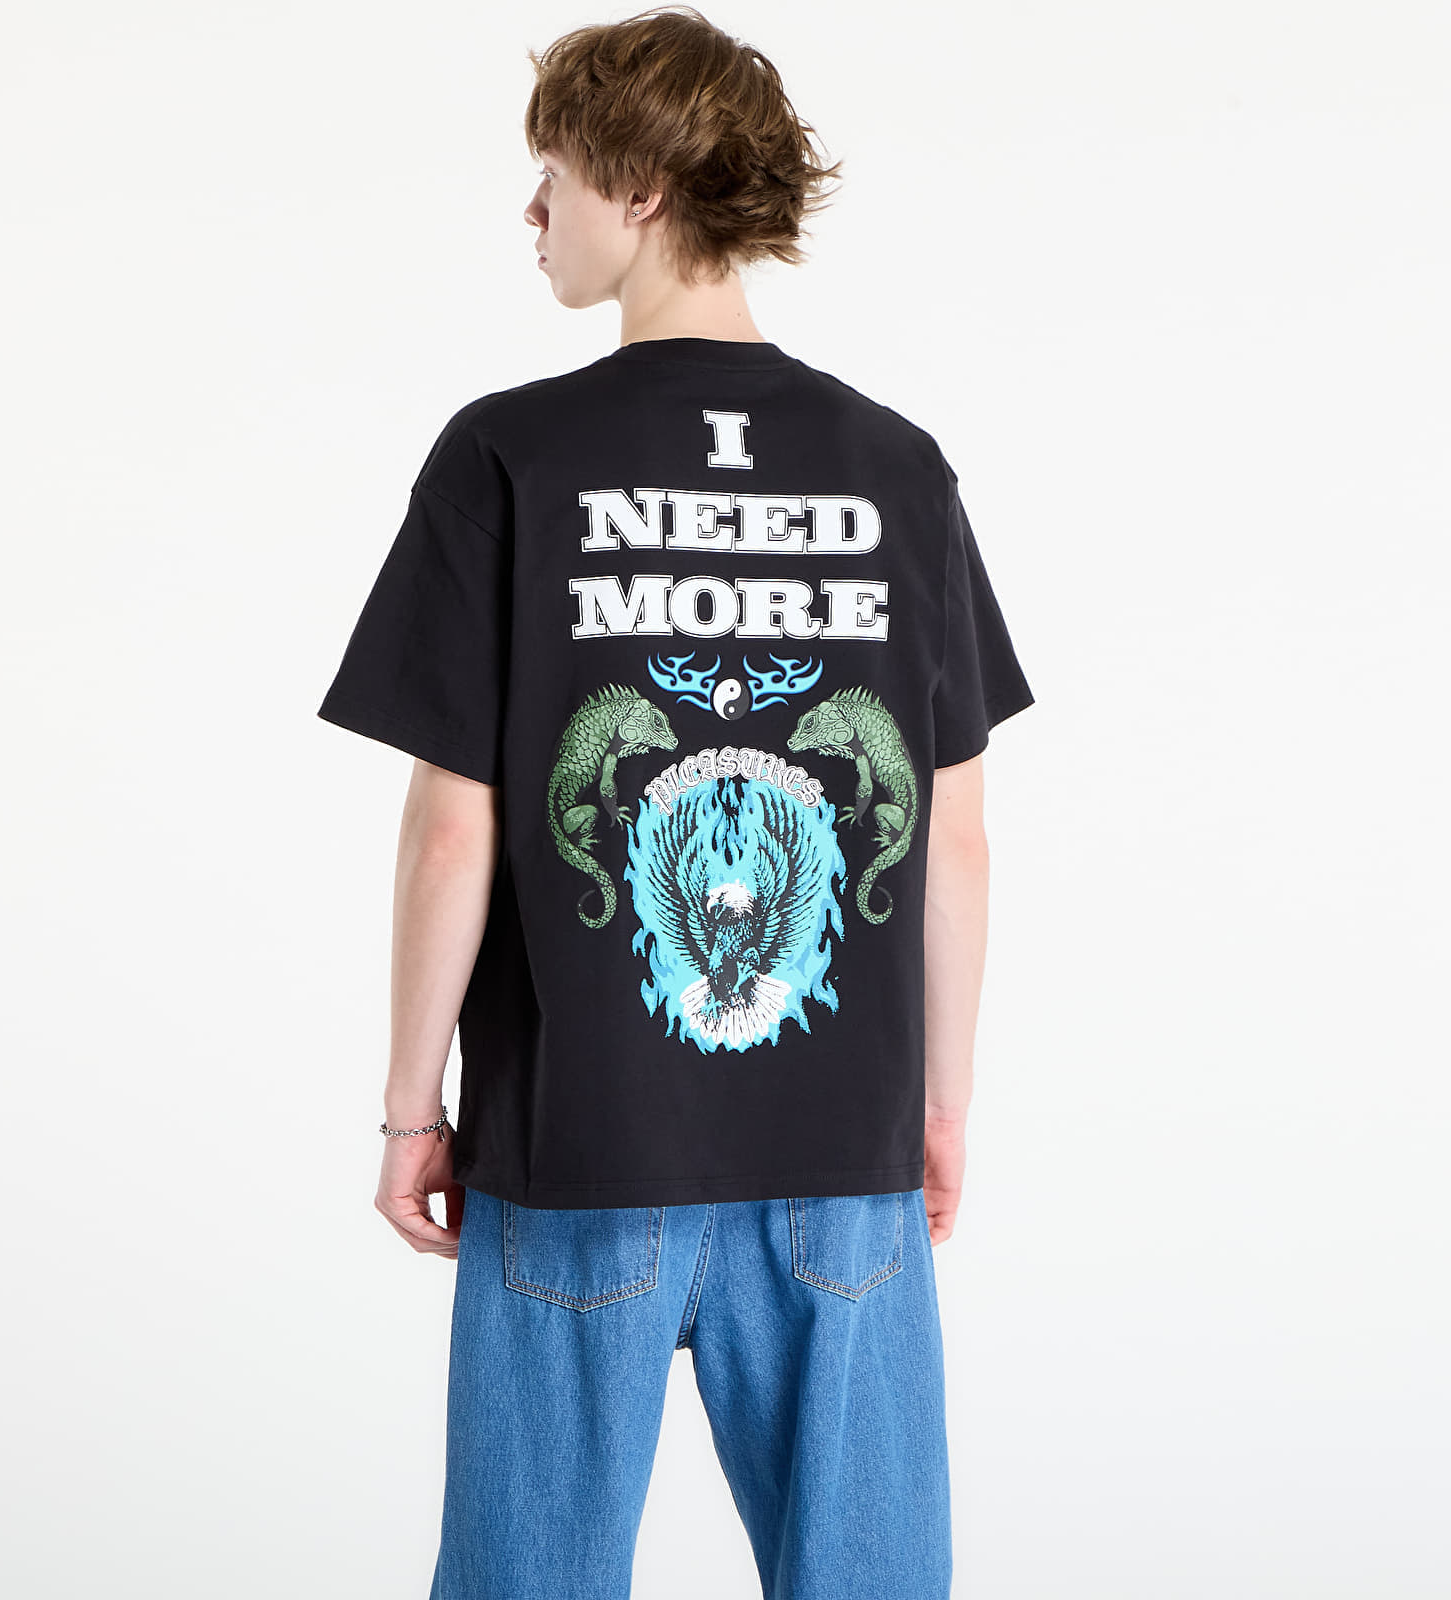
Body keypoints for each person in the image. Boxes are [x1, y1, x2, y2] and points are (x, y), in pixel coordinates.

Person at [316, 7, 1032, 1596]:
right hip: (840, 1157)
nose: (533, 210)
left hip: (578, 1149)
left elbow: (454, 826)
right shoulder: (898, 466)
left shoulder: (510, 455)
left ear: (638, 186)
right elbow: (956, 834)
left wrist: (413, 1113)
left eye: (554, 175)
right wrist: (937, 1108)